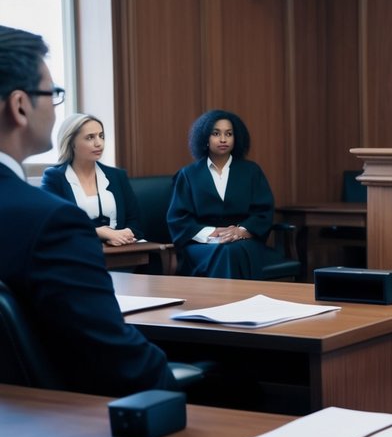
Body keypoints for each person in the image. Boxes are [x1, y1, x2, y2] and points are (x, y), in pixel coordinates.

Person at [0, 25, 174, 395]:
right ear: (19, 106)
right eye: (53, 93)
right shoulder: (50, 221)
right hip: (60, 426)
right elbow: (117, 359)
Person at [167, 109, 279, 279]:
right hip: (202, 244)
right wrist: (212, 233)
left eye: (229, 134)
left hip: (244, 241)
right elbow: (178, 219)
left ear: (236, 138)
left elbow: (263, 212)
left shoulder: (251, 171)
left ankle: (225, 301)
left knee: (231, 250)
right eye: (216, 133)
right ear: (205, 138)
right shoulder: (188, 175)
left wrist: (241, 231)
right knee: (224, 251)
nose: (223, 139)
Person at [41, 113, 143, 246]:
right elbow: (53, 226)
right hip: (76, 254)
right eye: (90, 138)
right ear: (72, 143)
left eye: (101, 136)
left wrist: (122, 235)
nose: (99, 143)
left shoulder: (118, 176)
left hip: (121, 251)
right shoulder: (54, 178)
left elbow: (136, 221)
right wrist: (102, 233)